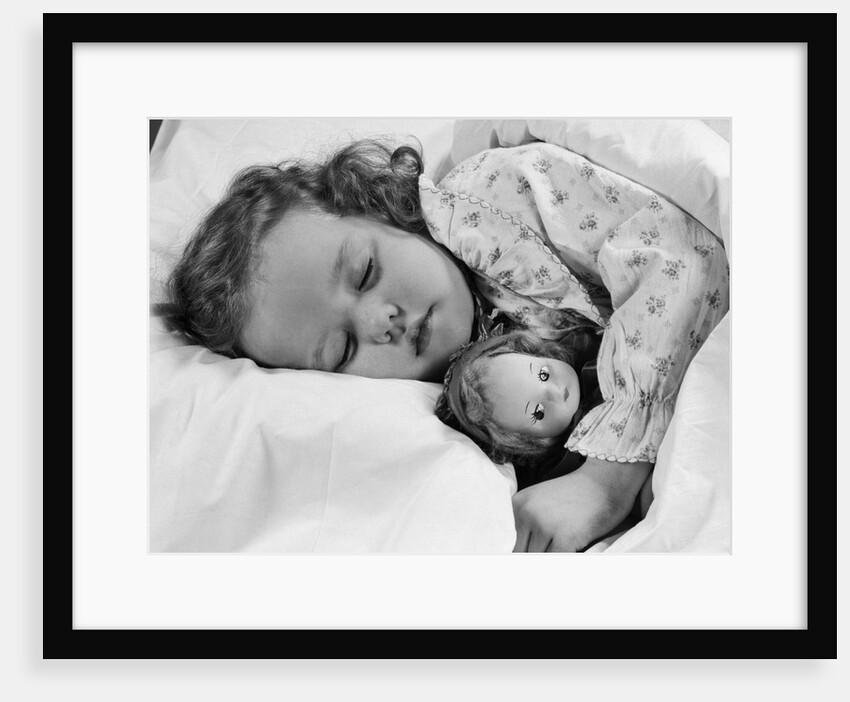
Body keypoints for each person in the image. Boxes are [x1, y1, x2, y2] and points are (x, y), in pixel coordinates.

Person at [157, 132, 729, 552]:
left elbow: (678, 256)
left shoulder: (495, 199)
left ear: (377, 206)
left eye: (363, 273)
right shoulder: (460, 416)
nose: (382, 320)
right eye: (344, 351)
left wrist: (607, 480)